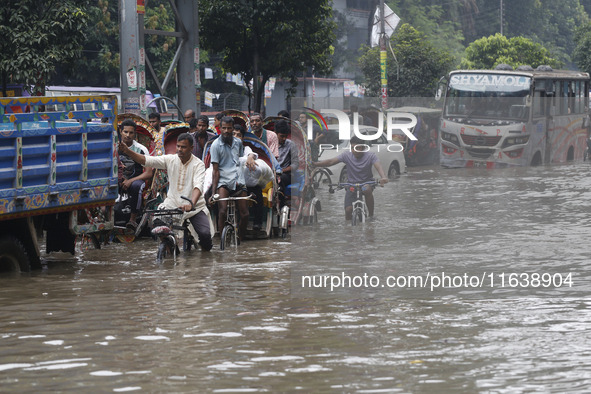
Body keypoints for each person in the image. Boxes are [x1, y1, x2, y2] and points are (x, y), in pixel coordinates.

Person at [118, 132, 214, 251]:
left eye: (183, 147)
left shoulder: (198, 164)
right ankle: (169, 247)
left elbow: (198, 186)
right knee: (157, 223)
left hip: (194, 207)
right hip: (172, 203)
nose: (179, 149)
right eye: (178, 146)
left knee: (205, 235)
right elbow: (146, 160)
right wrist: (127, 151)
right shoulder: (170, 159)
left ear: (191, 148)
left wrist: (191, 204)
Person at [312, 136, 388, 221]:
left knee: (366, 189)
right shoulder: (346, 155)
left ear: (363, 147)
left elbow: (379, 166)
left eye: (357, 148)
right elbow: (331, 162)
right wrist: (315, 164)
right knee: (348, 210)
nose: (354, 150)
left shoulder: (371, 156)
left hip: (366, 184)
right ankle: (349, 231)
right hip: (351, 185)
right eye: (352, 148)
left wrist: (383, 177)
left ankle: (371, 216)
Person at [209, 116, 257, 241]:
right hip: (223, 181)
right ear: (220, 128)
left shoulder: (238, 143)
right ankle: (222, 241)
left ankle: (240, 238)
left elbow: (241, 160)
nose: (226, 131)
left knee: (245, 213)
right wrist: (213, 193)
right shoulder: (215, 145)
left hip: (238, 180)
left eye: (229, 128)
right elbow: (215, 170)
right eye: (223, 128)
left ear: (232, 128)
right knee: (222, 211)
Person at [233, 124, 272, 232]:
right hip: (231, 183)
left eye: (239, 135)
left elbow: (251, 154)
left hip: (247, 183)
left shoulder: (246, 149)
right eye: (233, 134)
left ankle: (257, 223)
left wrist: (250, 157)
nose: (236, 137)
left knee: (257, 192)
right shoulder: (225, 148)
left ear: (242, 138)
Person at [117, 119, 154, 230]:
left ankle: (132, 220)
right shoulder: (114, 147)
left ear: (135, 133)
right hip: (118, 178)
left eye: (131, 133)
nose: (128, 135)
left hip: (136, 179)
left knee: (136, 186)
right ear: (120, 131)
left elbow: (148, 173)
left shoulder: (141, 149)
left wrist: (130, 181)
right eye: (125, 132)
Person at [274, 120, 299, 207]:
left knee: (278, 181)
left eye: (286, 136)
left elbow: (295, 164)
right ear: (275, 133)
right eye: (281, 136)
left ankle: (281, 207)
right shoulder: (269, 144)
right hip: (270, 173)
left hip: (286, 175)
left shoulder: (290, 144)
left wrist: (281, 171)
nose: (284, 138)